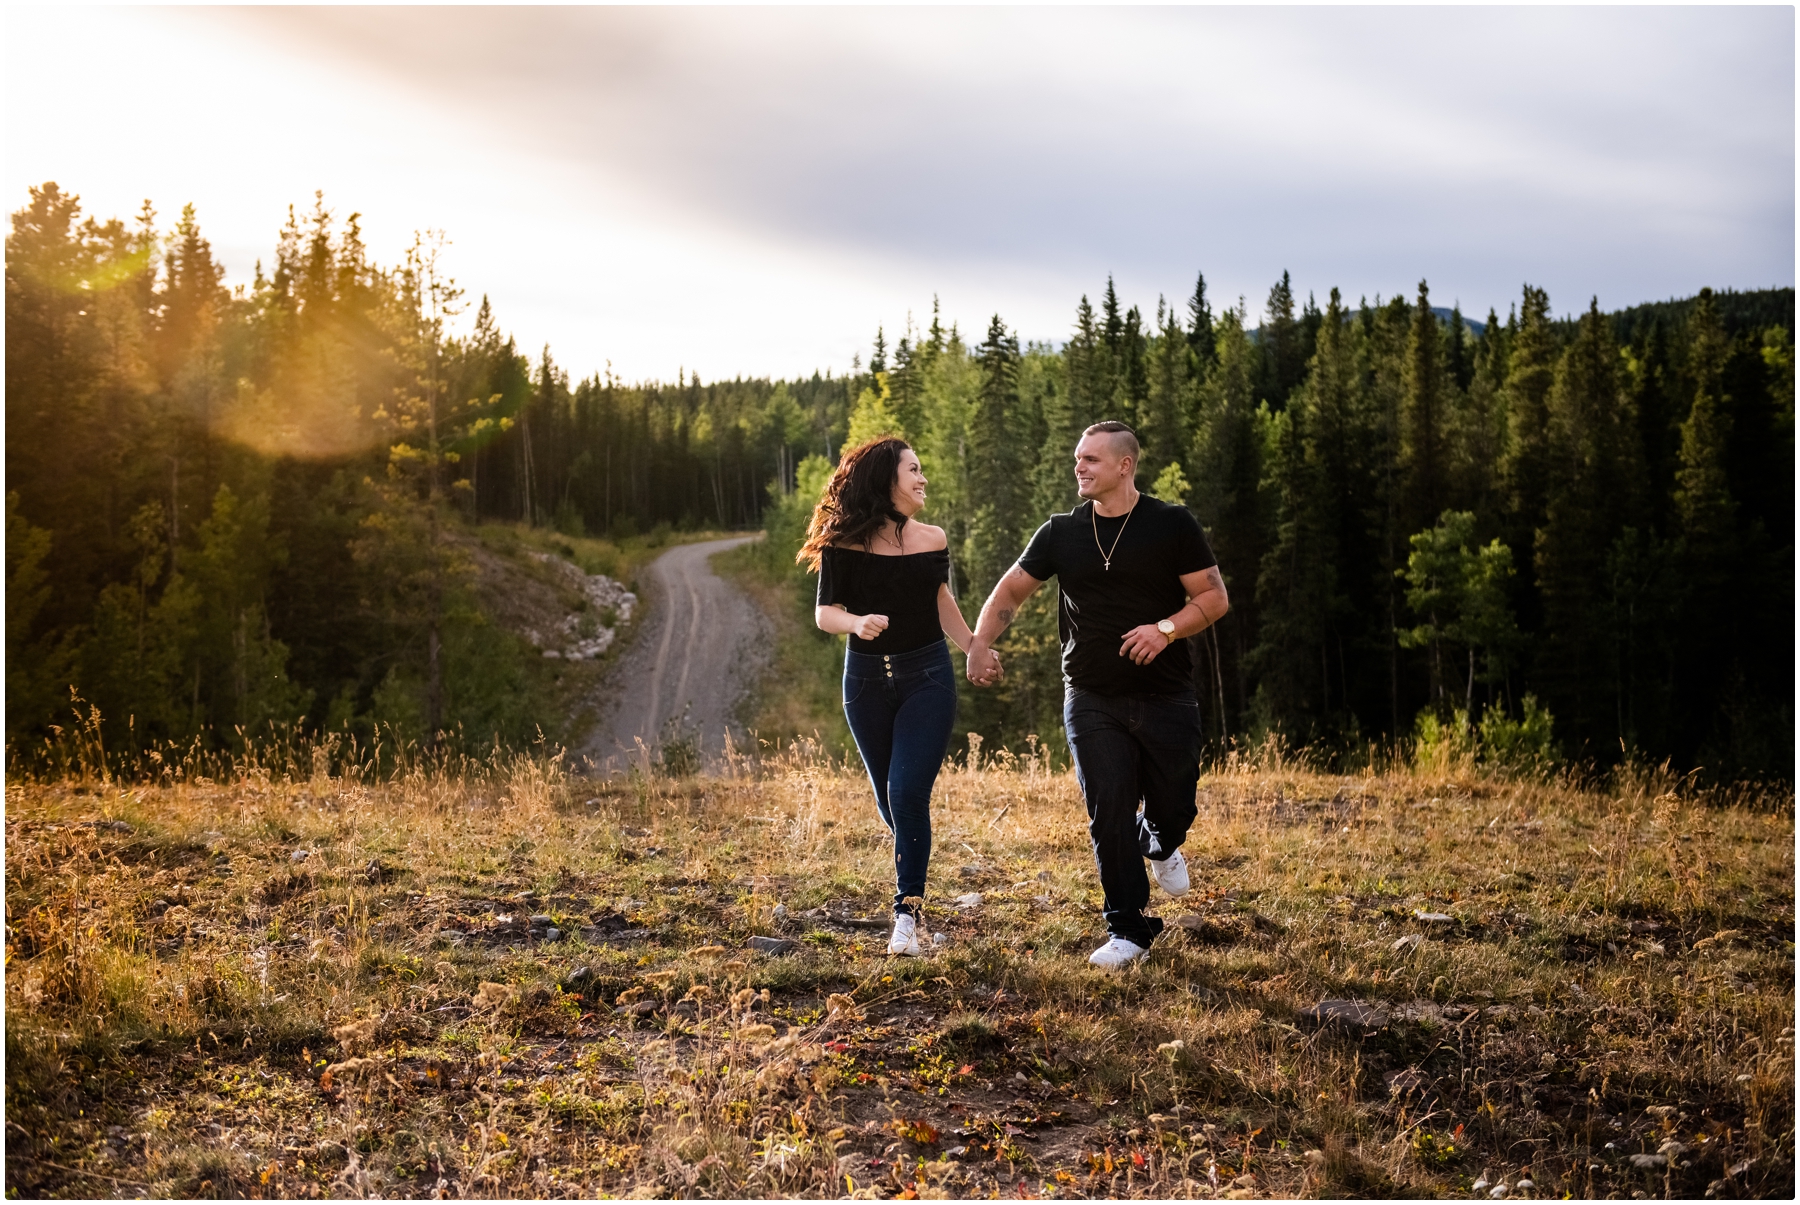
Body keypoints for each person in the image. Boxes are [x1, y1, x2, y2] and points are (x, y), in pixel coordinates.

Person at [967, 421, 1228, 969]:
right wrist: (979, 643)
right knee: (1106, 807)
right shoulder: (1060, 532)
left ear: (1124, 466)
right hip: (1090, 695)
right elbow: (1012, 590)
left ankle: (1160, 838)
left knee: (1175, 802)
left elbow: (1213, 597)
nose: (1079, 467)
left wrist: (1165, 630)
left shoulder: (1170, 525)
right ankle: (1128, 929)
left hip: (1166, 694)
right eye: (1077, 458)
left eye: (1090, 459)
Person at [800, 436, 983, 957]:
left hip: (927, 675)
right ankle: (913, 870)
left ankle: (907, 914)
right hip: (864, 683)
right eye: (914, 470)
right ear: (888, 480)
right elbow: (824, 613)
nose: (923, 479)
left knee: (906, 795)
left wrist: (972, 647)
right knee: (889, 800)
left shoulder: (932, 539)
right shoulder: (845, 543)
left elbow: (941, 599)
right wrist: (856, 622)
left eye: (922, 470)